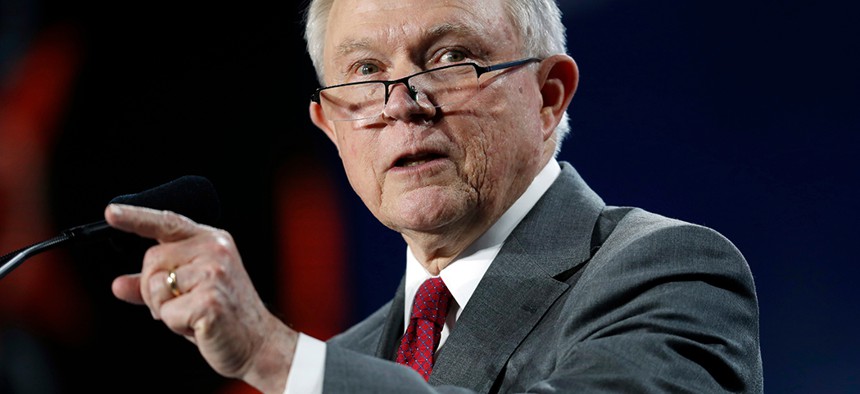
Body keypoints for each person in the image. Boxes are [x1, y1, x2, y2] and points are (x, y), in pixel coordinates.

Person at [106, 0, 764, 392]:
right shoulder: (353, 361)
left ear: (548, 95)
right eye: (366, 73)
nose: (402, 105)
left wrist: (275, 355)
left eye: (451, 58)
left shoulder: (674, 274)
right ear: (330, 128)